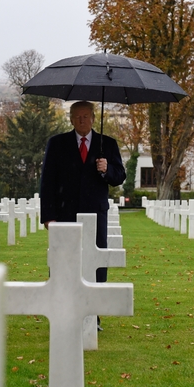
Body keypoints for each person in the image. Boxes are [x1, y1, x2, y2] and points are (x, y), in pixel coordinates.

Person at [40, 101, 126, 329]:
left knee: (94, 264)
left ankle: (93, 314)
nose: (82, 120)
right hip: (64, 214)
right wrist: (48, 216)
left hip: (95, 216)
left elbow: (119, 176)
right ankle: (64, 312)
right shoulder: (56, 144)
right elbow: (47, 182)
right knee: (64, 264)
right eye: (77, 116)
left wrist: (106, 169)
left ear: (93, 118)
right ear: (70, 118)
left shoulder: (106, 144)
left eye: (86, 116)